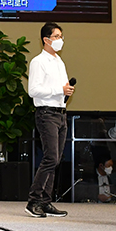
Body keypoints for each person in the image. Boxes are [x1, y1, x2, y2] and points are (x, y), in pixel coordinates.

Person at [26, 22, 73, 218]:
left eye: (61, 36)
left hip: (60, 113)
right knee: (50, 158)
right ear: (46, 40)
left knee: (55, 160)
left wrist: (65, 92)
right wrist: (59, 90)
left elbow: (60, 88)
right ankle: (34, 200)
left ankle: (45, 201)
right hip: (46, 113)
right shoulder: (38, 62)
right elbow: (33, 90)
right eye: (56, 36)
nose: (60, 40)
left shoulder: (59, 62)